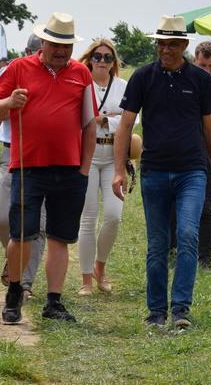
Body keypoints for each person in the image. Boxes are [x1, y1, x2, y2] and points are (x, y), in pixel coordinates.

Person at [112, 15, 211, 330]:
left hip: (192, 171)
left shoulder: (200, 80)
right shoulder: (143, 77)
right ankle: (156, 311)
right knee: (158, 243)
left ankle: (180, 309)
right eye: (161, 44)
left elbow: (210, 130)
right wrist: (119, 169)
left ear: (184, 45)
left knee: (188, 235)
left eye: (172, 44)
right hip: (155, 171)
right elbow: (125, 125)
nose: (165, 49)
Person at [0, 12, 97, 324]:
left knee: (60, 237)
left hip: (70, 170)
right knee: (22, 234)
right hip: (28, 167)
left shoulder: (81, 74)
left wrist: (84, 169)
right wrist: (9, 103)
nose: (61, 51)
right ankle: (15, 292)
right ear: (43, 43)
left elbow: (90, 124)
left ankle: (54, 302)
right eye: (56, 45)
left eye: (67, 46)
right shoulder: (19, 68)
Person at [169, 40, 211, 269]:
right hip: (178, 151)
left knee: (206, 207)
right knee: (174, 203)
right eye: (202, 66)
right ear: (194, 61)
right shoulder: (179, 83)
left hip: (206, 153)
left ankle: (204, 259)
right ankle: (172, 250)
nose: (207, 71)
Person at [0, 34, 46, 302]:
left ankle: (24, 283)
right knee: (4, 220)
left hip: (45, 157)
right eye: (36, 52)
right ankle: (14, 257)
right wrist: (10, 103)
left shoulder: (60, 75)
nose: (40, 58)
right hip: (12, 152)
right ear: (27, 51)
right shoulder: (13, 71)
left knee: (38, 224)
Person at [76, 38, 129, 296]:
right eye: (97, 56)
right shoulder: (81, 84)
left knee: (114, 216)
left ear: (113, 62)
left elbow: (131, 120)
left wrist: (103, 120)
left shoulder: (122, 86)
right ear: (89, 59)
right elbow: (76, 117)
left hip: (113, 158)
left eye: (108, 57)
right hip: (87, 157)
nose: (102, 61)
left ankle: (100, 266)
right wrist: (112, 117)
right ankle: (86, 279)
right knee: (88, 218)